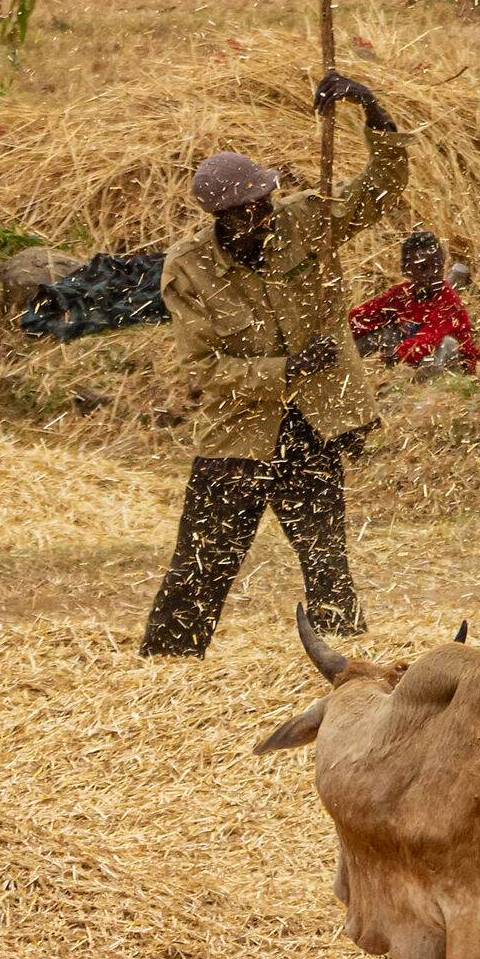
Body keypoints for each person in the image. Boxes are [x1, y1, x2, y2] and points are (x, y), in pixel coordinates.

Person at [139, 70, 408, 658]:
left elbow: (383, 191)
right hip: (240, 432)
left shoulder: (306, 218)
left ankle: (348, 672)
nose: (265, 216)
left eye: (265, 201)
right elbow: (205, 371)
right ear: (223, 218)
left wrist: (369, 107)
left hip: (315, 422)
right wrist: (287, 367)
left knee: (327, 560)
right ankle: (164, 670)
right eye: (250, 210)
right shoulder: (188, 270)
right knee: (202, 565)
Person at [349, 229, 480, 374]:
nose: (431, 274)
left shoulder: (449, 302)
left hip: (450, 366)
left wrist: (398, 353)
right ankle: (340, 368)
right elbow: (366, 316)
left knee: (447, 344)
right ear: (407, 270)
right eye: (423, 268)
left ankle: (432, 388)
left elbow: (430, 338)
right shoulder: (401, 295)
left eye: (437, 266)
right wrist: (339, 334)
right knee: (383, 334)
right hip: (412, 357)